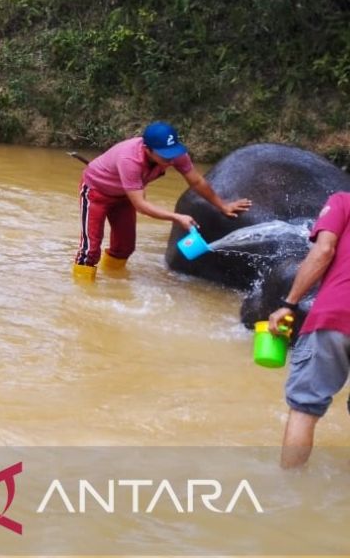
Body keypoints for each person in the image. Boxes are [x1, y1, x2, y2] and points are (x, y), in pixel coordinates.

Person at [72, 121, 251, 280]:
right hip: (95, 193)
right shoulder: (130, 159)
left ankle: (113, 280)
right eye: (165, 157)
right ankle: (82, 294)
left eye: (172, 154)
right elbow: (141, 205)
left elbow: (196, 181)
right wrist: (177, 217)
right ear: (147, 150)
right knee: (90, 250)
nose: (170, 160)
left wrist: (223, 205)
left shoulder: (176, 155)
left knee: (125, 248)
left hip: (125, 196)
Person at [268, 192, 350, 468]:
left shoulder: (343, 201)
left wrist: (288, 303)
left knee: (304, 408)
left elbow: (324, 251)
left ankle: (288, 494)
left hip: (337, 315)